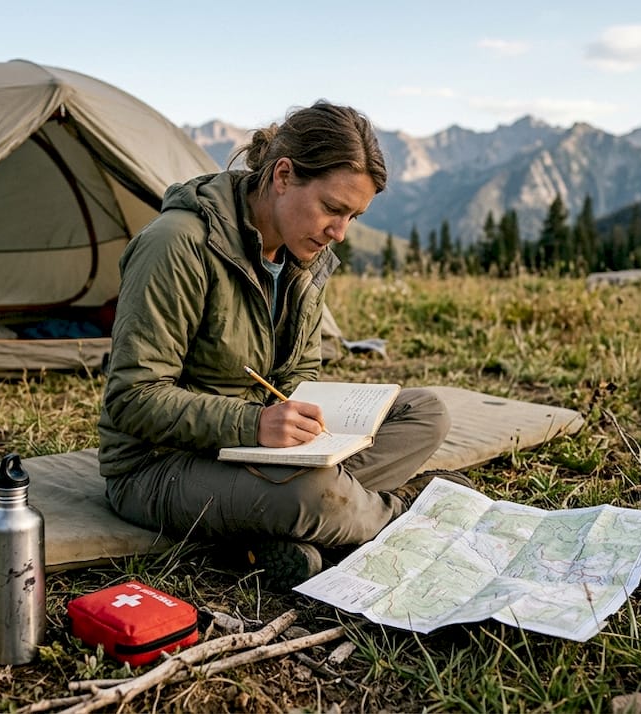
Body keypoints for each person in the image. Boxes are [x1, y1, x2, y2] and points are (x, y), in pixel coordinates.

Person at [97, 100, 471, 591]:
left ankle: (300, 529)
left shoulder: (304, 253)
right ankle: (407, 514)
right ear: (283, 175)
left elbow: (300, 371)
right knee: (315, 494)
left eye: (354, 217)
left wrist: (312, 419)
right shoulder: (177, 245)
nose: (339, 233)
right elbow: (133, 399)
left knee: (425, 412)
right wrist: (254, 424)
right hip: (160, 467)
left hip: (265, 450)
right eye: (333, 209)